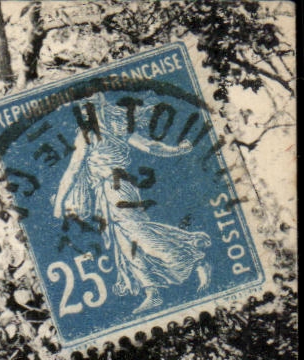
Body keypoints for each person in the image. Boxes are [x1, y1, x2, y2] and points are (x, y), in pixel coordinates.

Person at [52, 98, 213, 313]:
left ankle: (194, 259)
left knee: (139, 235)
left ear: (98, 110)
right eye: (82, 109)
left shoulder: (95, 133)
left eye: (86, 108)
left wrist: (58, 204)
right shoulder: (103, 132)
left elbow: (72, 172)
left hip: (117, 189)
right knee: (125, 243)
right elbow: (151, 146)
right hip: (108, 192)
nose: (83, 114)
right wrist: (176, 150)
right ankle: (152, 292)